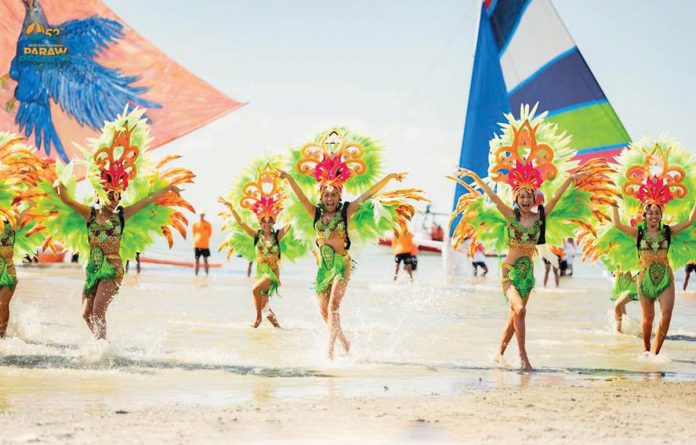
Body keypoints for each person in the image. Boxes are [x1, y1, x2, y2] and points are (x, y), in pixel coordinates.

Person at [449, 105, 615, 370]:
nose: (525, 200)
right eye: (521, 196)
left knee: (514, 317)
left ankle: (499, 355)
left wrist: (572, 178)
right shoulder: (510, 216)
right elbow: (490, 197)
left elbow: (558, 198)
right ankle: (524, 359)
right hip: (509, 271)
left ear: (533, 198)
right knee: (520, 311)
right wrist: (473, 179)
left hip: (529, 273)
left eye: (529, 196)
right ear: (516, 198)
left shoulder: (539, 218)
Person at [37, 108, 194, 340]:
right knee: (86, 314)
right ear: (102, 192)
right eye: (111, 194)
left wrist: (169, 189)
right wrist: (60, 182)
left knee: (98, 312)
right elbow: (66, 199)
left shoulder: (121, 216)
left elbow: (148, 199)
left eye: (118, 195)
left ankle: (102, 351)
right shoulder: (89, 214)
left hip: (113, 268)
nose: (116, 199)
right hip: (93, 268)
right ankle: (102, 345)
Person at [280, 128, 427, 359]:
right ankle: (346, 344)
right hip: (322, 268)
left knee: (333, 307)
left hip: (341, 264)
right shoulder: (315, 213)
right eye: (326, 195)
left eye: (334, 195)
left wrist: (388, 178)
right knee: (323, 313)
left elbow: (367, 195)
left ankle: (328, 353)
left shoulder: (346, 211)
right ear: (321, 196)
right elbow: (299, 196)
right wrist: (289, 178)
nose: (329, 199)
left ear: (339, 196)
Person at [608, 137, 696, 355]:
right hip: (644, 279)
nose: (654, 215)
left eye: (658, 212)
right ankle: (646, 350)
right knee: (648, 318)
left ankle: (656, 352)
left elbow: (690, 222)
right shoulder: (638, 232)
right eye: (651, 213)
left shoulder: (667, 231)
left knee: (666, 315)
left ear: (661, 215)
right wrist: (614, 203)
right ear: (644, 215)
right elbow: (617, 224)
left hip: (665, 277)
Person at [218, 160, 307, 328]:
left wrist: (296, 206)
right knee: (266, 308)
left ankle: (257, 319)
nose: (267, 223)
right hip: (260, 272)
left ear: (273, 222)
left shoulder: (277, 235)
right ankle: (279, 329)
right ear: (260, 222)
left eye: (269, 221)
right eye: (263, 221)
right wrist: (231, 208)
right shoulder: (256, 235)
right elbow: (242, 223)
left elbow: (290, 222)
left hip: (272, 273)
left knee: (254, 290)